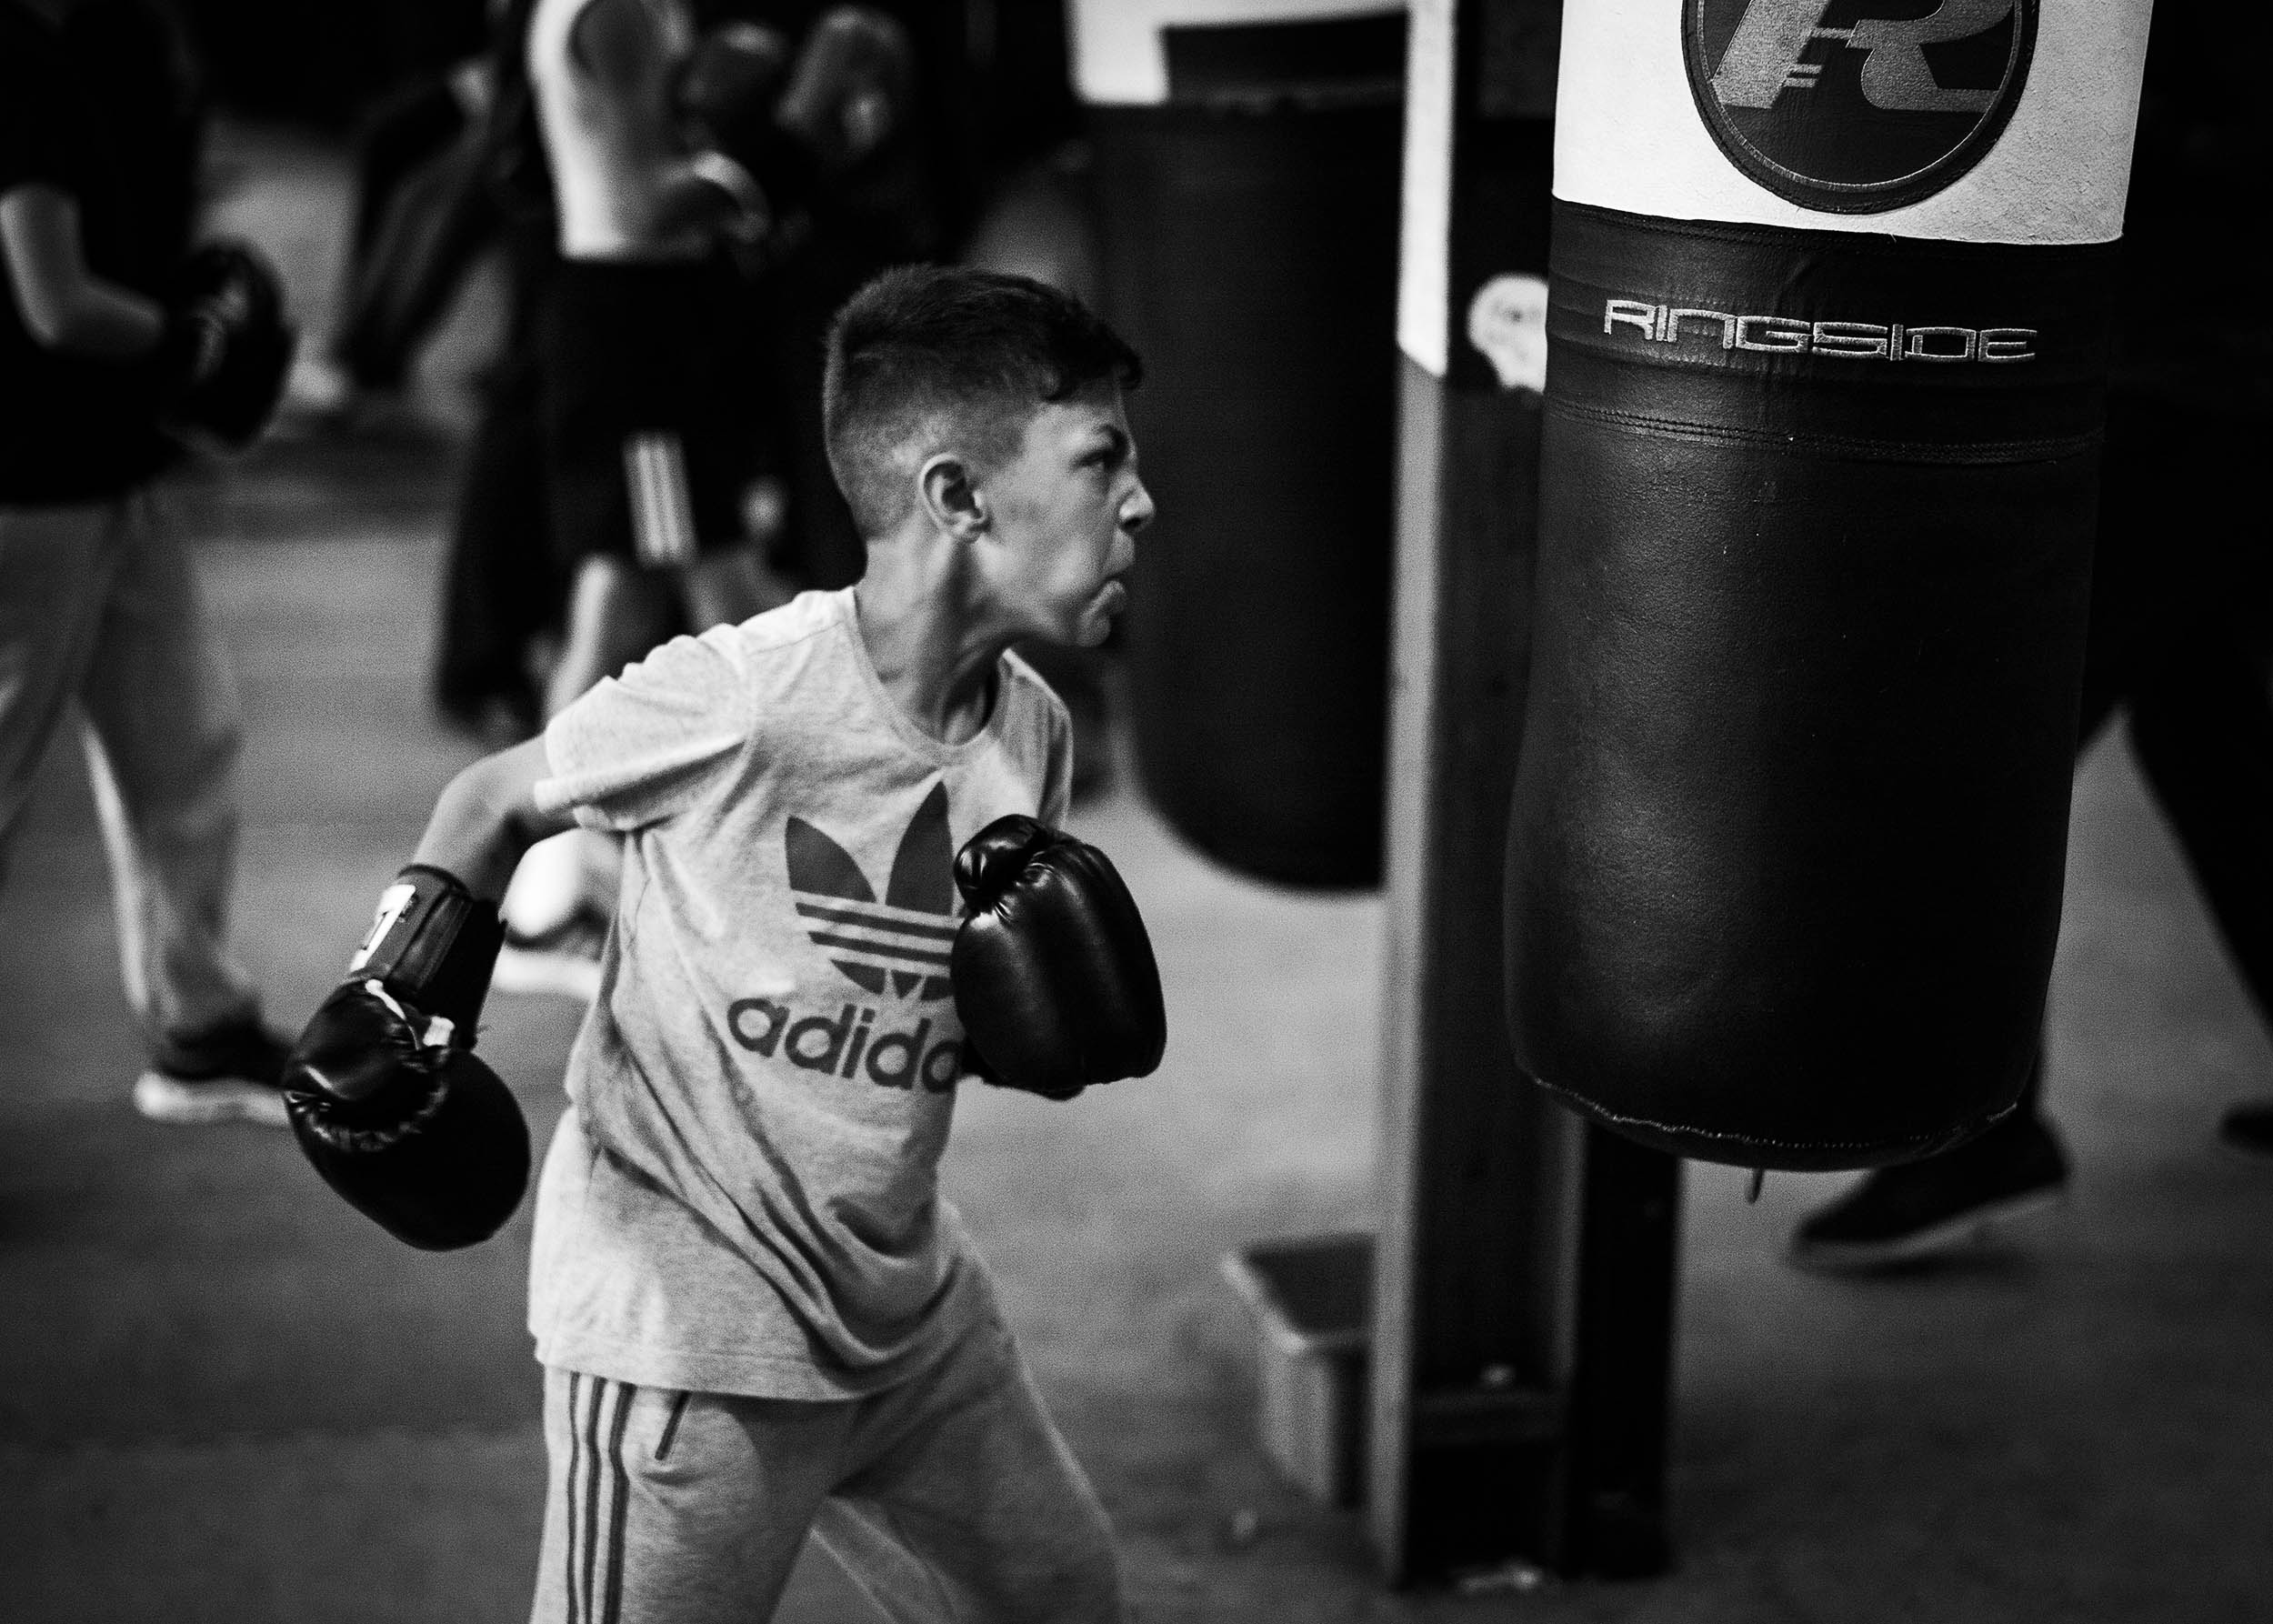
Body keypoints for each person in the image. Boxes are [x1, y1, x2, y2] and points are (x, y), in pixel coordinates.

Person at [290, 266, 1151, 1620]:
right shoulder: (751, 696)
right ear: (955, 494)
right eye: (1102, 459)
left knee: (1063, 1600)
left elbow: (910, 1016)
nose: (1139, 501)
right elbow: (496, 796)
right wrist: (395, 994)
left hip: (908, 1309)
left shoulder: (1027, 726)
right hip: (691, 1329)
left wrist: (1013, 1029)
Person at [1787, 2, 2273, 1271]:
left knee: (1972, 744)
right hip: (2189, 357)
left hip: (2178, 371)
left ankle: (1971, 1139)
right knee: (2213, 735)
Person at [0, 0, 294, 1126]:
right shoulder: (17, 65)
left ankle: (199, 1029)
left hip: (113, 469)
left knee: (184, 745)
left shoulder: (91, 49)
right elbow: (54, 300)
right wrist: (191, 342)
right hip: (30, 485)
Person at [490, 0, 801, 994]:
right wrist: (779, 148)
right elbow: (646, 202)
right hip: (631, 329)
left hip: (649, 320)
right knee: (674, 593)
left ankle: (560, 890)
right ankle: (557, 894)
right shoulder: (617, 9)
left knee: (658, 591)